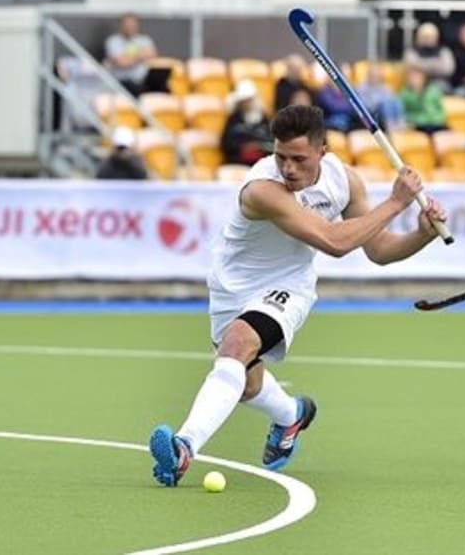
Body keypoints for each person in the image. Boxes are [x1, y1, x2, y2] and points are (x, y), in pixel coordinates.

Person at [148, 105, 447, 485]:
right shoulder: (262, 189)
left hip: (288, 285)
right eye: (281, 157)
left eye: (299, 159)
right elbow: (334, 242)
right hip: (230, 287)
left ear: (322, 151)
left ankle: (183, 447)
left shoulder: (344, 181)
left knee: (237, 345)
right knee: (246, 384)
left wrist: (421, 235)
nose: (288, 168)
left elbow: (379, 250)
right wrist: (395, 202)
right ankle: (292, 414)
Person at [221, 80, 273, 166]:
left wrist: (258, 146)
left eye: (249, 100)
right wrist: (244, 147)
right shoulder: (233, 119)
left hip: (261, 163)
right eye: (244, 101)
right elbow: (226, 143)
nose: (247, 104)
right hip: (238, 163)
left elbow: (271, 142)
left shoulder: (264, 119)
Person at [104, 13, 157, 96]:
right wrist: (140, 55)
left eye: (132, 24)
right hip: (122, 82)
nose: (130, 27)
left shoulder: (144, 40)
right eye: (127, 24)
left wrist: (129, 58)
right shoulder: (113, 41)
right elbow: (121, 63)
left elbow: (153, 59)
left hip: (143, 81)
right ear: (121, 25)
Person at [403, 22, 456, 91]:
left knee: (440, 87)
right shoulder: (412, 51)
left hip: (439, 82)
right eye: (426, 36)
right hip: (417, 82)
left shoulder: (444, 51)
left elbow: (448, 69)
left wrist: (421, 66)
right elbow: (410, 65)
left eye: (432, 36)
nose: (429, 39)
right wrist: (435, 64)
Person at [399, 66, 446, 134]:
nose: (415, 79)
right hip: (418, 125)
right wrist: (413, 121)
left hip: (436, 123)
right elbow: (403, 112)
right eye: (412, 77)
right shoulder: (405, 94)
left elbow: (440, 109)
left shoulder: (433, 91)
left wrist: (437, 119)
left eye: (418, 76)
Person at [357, 64, 406, 130]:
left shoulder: (385, 87)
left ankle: (400, 121)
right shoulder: (362, 87)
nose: (375, 77)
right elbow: (365, 104)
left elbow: (392, 99)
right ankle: (390, 125)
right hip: (372, 113)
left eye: (377, 75)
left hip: (384, 111)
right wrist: (379, 102)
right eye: (373, 75)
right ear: (368, 75)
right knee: (385, 103)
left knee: (396, 101)